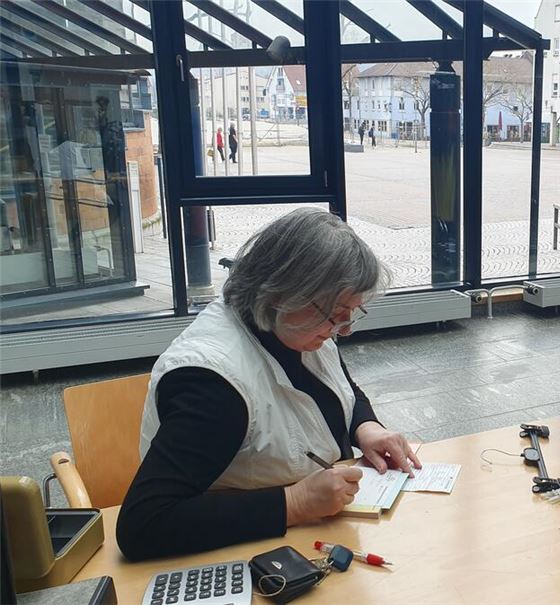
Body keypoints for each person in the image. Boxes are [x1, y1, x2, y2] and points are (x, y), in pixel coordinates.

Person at [116, 209, 421, 561]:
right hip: (242, 555)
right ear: (282, 294)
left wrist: (366, 428)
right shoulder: (213, 384)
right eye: (337, 313)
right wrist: (295, 503)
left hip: (320, 535)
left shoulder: (292, 326)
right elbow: (143, 525)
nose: (346, 327)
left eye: (353, 311)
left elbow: (340, 388)